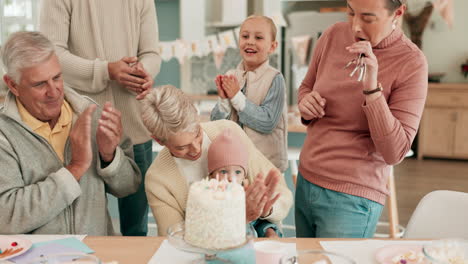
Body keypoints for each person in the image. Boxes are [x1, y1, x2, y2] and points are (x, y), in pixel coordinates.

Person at [296, 0, 428, 238]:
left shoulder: (412, 63)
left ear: (398, 13)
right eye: (350, 12)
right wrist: (306, 103)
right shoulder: (333, 35)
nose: (355, 26)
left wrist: (372, 89)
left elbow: (394, 152)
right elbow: (306, 87)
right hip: (306, 180)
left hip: (353, 197)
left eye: (367, 18)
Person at [40, 0, 161, 236]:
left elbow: (151, 53)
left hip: (134, 127)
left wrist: (144, 71)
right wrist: (106, 70)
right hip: (76, 129)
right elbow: (52, 55)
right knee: (81, 226)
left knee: (136, 229)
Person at [0, 31, 141, 235]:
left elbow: (128, 187)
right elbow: (6, 217)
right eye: (40, 84)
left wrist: (109, 156)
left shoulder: (93, 115)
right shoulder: (4, 136)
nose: (54, 91)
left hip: (95, 255)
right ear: (13, 84)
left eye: (57, 77)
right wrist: (75, 168)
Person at [140, 85, 293, 236]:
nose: (195, 149)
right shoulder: (157, 180)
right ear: (159, 141)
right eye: (182, 147)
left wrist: (267, 209)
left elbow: (282, 194)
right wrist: (240, 217)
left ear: (196, 114)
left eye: (197, 134)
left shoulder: (229, 133)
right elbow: (176, 241)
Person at [210, 15, 288, 173]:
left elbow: (267, 122)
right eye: (245, 36)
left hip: (266, 166)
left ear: (272, 47)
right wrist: (224, 101)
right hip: (235, 165)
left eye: (258, 37)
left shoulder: (275, 78)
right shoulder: (231, 75)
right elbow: (216, 125)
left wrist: (236, 97)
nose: (250, 41)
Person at [207, 128, 282, 238]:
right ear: (212, 175)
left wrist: (269, 231)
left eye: (238, 172)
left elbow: (257, 223)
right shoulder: (207, 200)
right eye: (223, 171)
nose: (232, 178)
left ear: (244, 176)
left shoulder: (247, 195)